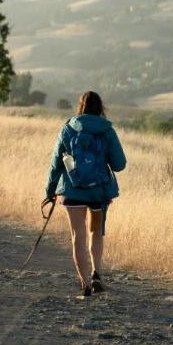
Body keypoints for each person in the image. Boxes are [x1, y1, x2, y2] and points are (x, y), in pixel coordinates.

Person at [44, 91, 127, 299]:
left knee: (77, 236)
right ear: (100, 107)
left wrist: (50, 191)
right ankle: (97, 274)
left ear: (80, 106)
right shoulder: (107, 130)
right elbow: (119, 164)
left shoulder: (68, 128)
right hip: (98, 192)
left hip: (73, 190)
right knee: (96, 232)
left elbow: (55, 163)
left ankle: (84, 285)